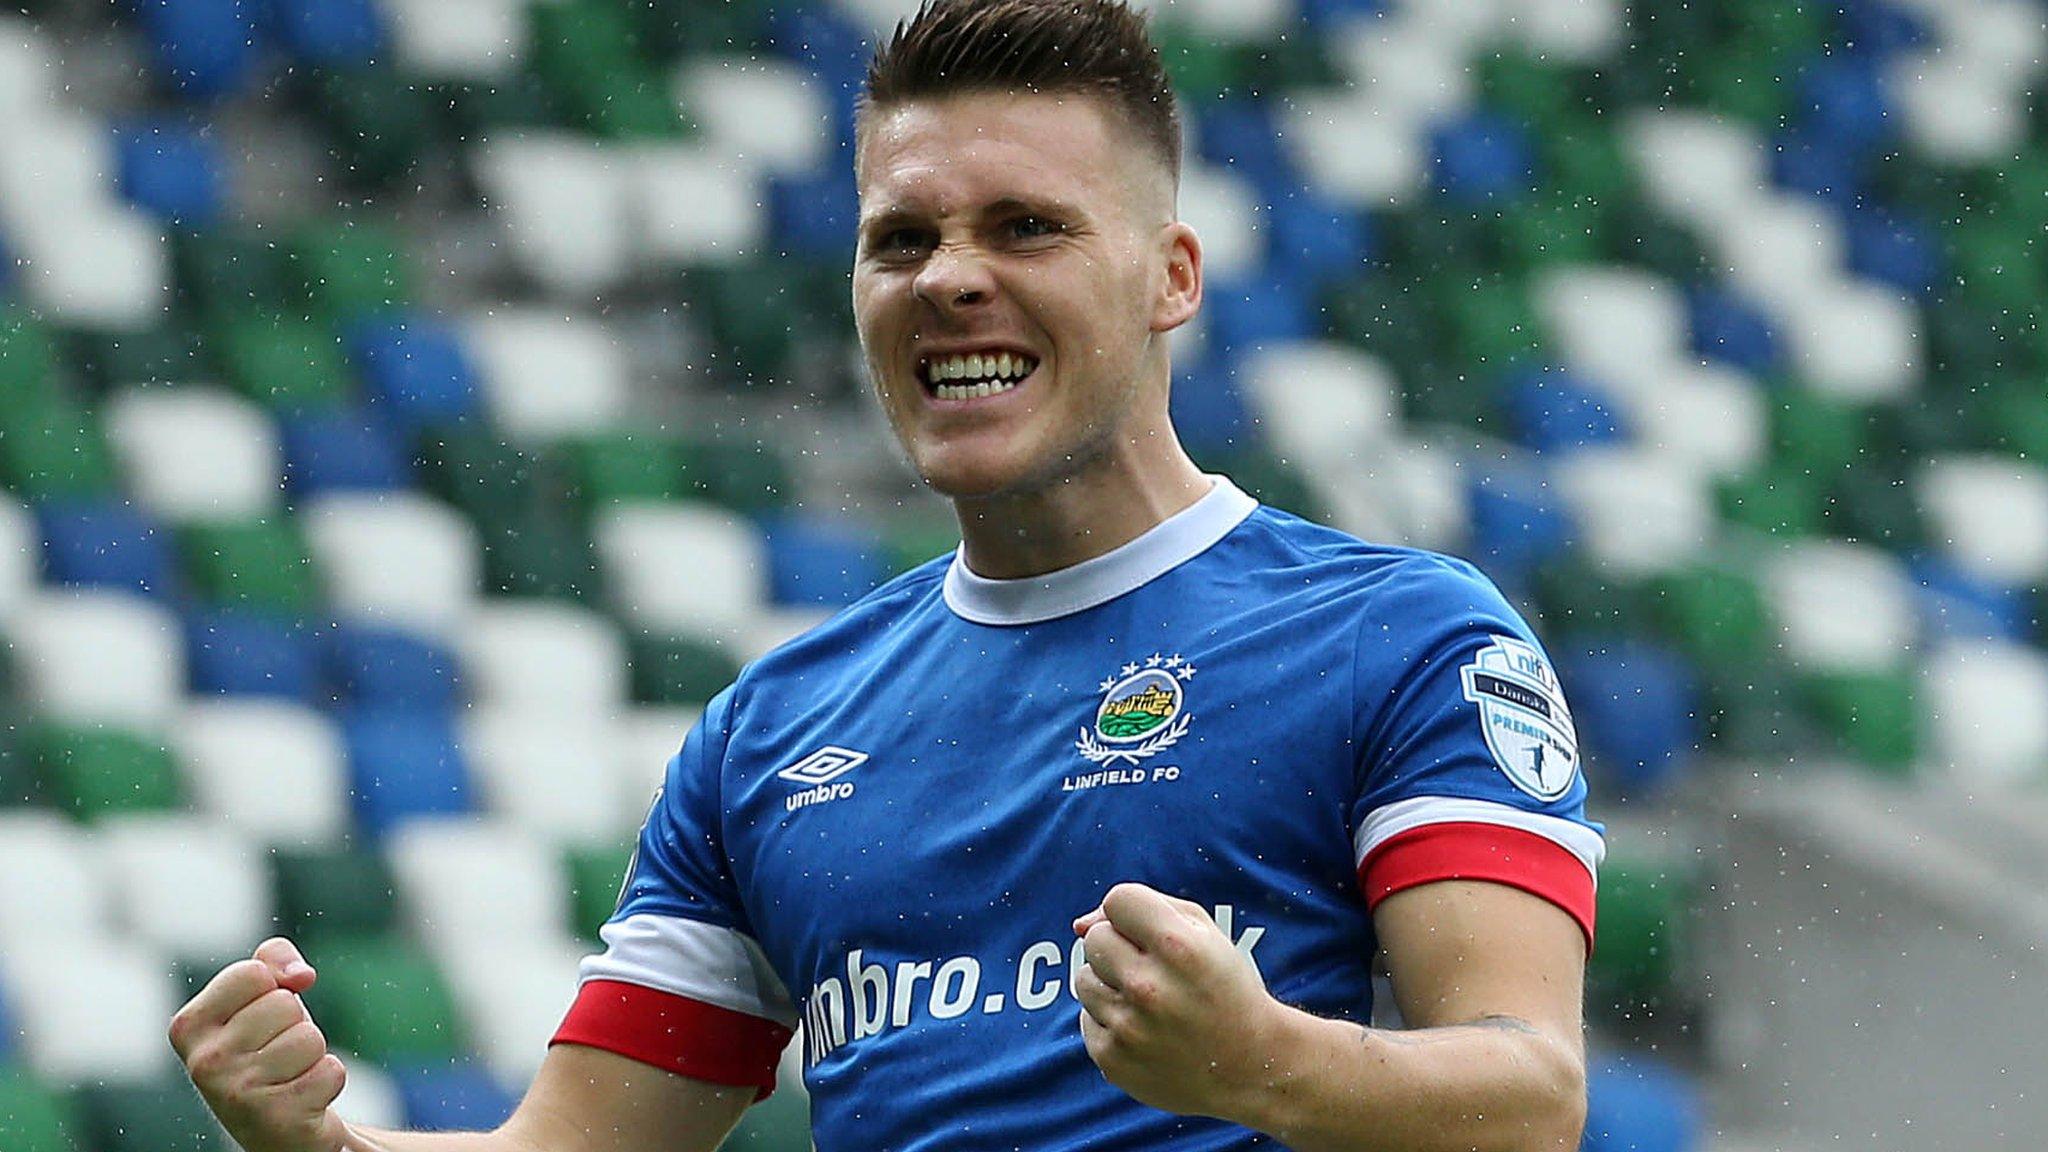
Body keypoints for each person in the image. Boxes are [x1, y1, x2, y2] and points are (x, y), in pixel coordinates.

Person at [170, 1, 1604, 1149]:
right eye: (900, 239)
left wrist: (1268, 1066)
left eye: (1025, 227)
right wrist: (322, 1149)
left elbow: (1531, 1096)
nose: (948, 278)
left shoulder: (1399, 637)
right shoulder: (770, 731)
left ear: (1172, 276)